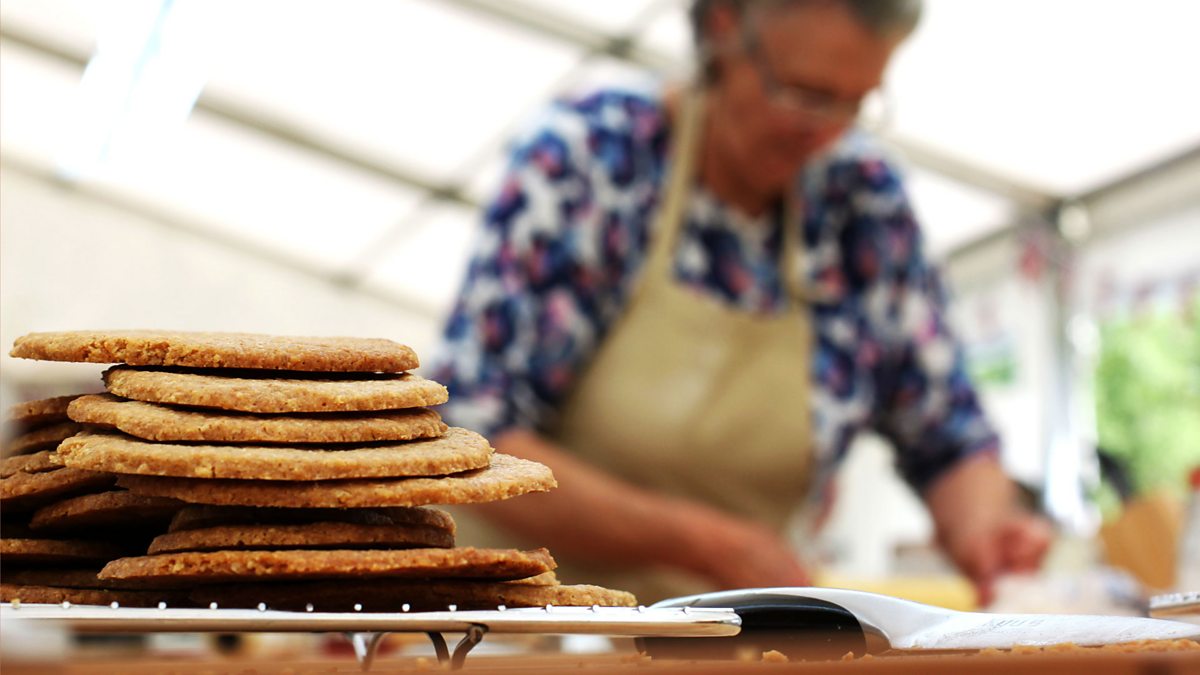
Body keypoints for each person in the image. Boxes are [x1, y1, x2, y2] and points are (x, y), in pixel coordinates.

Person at [431, 0, 1051, 605]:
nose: (825, 129)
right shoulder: (590, 159)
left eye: (854, 103)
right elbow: (471, 442)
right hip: (519, 626)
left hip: (730, 636)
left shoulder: (865, 205)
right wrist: (700, 542)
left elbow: (948, 435)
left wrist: (985, 530)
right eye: (804, 92)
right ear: (726, 24)